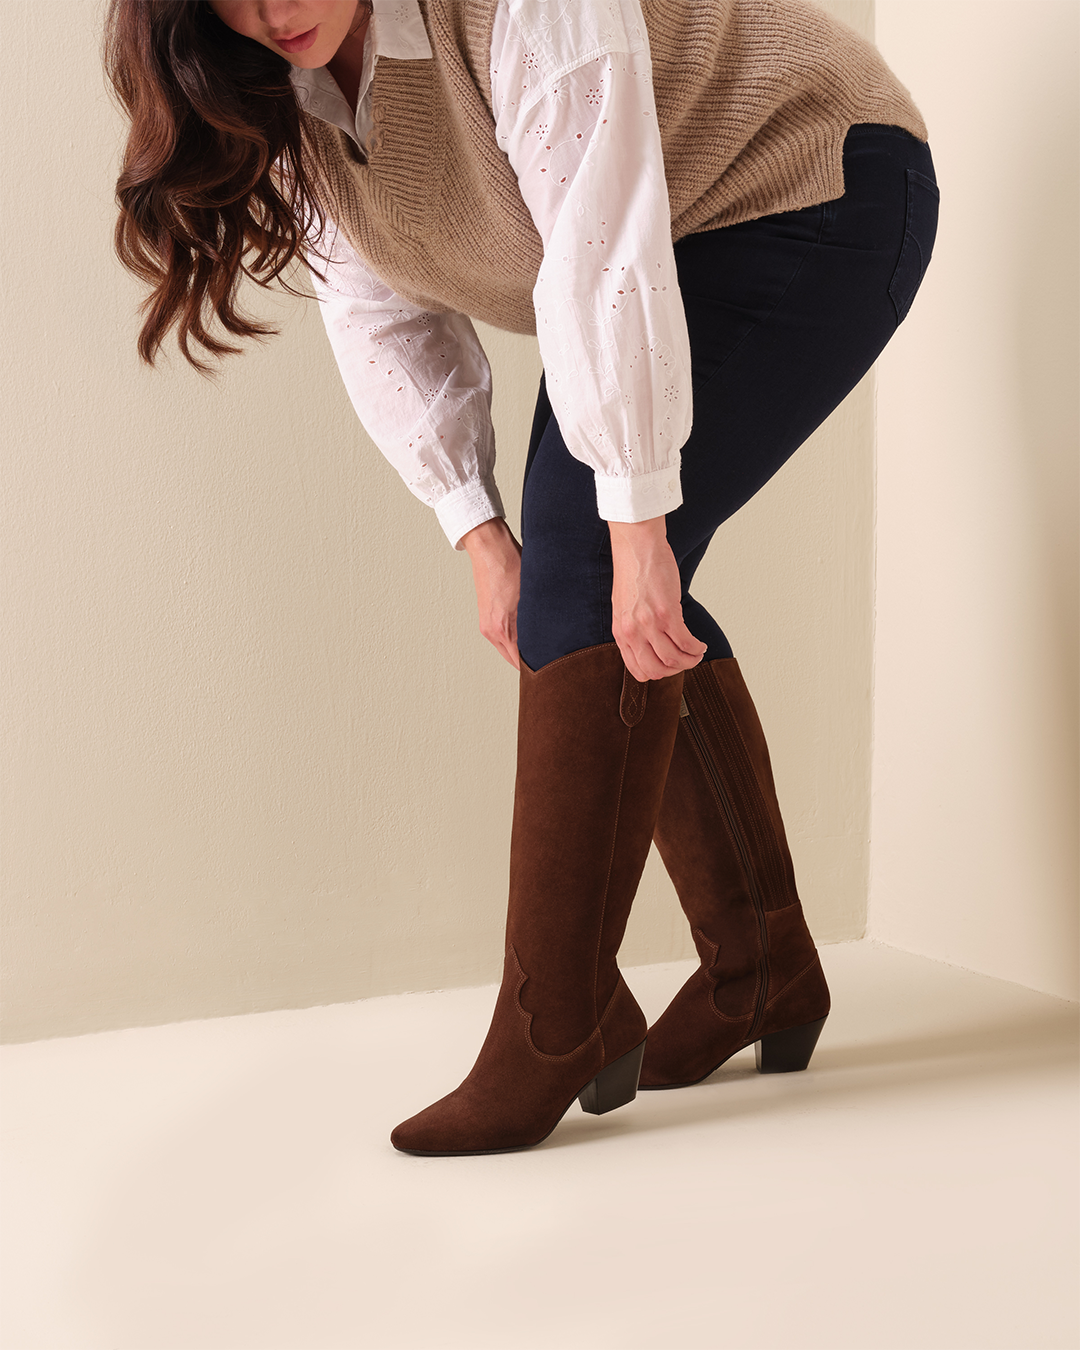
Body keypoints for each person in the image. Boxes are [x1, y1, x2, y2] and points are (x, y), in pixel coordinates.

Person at [104, 0, 938, 1156]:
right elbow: (376, 304)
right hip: (662, 245)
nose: (270, 11)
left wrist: (630, 529)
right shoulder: (271, 90)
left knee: (604, 552)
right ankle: (762, 967)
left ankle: (560, 1019)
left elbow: (604, 241)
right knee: (589, 564)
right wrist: (477, 530)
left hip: (816, 181)